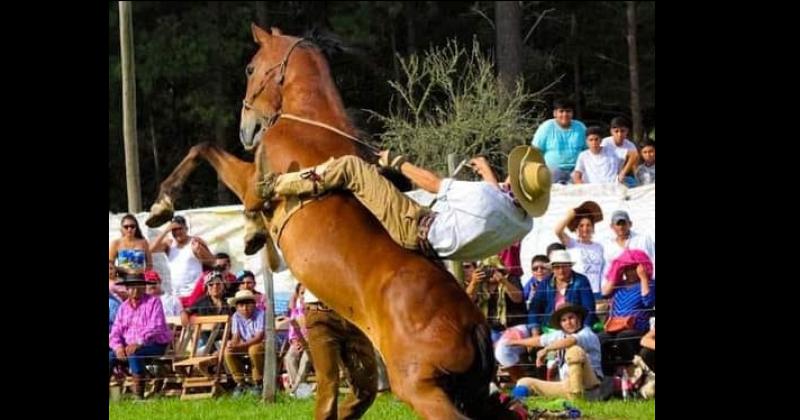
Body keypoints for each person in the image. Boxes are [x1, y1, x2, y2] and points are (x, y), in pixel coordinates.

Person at [259, 145, 549, 262]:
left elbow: (434, 184)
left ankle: (274, 185)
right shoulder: (524, 223)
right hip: (437, 246)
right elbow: (500, 202)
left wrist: (396, 161)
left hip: (415, 226)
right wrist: (487, 172)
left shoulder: (487, 197)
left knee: (351, 166)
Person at [303, 286, 377, 419]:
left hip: (355, 314)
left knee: (366, 388)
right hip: (321, 314)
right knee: (328, 384)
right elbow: (276, 267)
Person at [507, 304, 607, 401]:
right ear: (560, 324)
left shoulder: (587, 333)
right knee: (524, 382)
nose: (568, 322)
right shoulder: (560, 335)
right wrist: (514, 342)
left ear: (579, 318)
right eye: (564, 320)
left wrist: (546, 350)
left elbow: (571, 341)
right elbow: (539, 340)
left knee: (574, 350)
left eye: (571, 318)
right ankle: (514, 405)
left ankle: (579, 398)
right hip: (566, 384)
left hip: (589, 385)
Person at [108, 273, 172, 400]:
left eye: (139, 286)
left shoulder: (154, 302)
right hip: (128, 346)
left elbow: (156, 326)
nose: (135, 290)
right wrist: (118, 347)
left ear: (144, 287)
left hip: (154, 344)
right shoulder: (123, 307)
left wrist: (139, 342)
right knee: (110, 356)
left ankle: (138, 395)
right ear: (126, 289)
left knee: (135, 353)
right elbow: (115, 331)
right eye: (131, 287)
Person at [599, 249, 655, 375]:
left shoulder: (650, 283)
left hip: (636, 327)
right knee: (601, 338)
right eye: (626, 268)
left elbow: (648, 302)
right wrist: (615, 275)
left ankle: (633, 369)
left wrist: (643, 278)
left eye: (633, 268)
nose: (630, 272)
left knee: (624, 337)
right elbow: (604, 293)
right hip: (615, 326)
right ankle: (607, 375)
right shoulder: (619, 285)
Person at [150, 215, 215, 301]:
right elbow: (150, 249)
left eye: (180, 228)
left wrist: (200, 252)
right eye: (174, 229)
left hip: (195, 294)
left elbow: (212, 261)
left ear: (186, 229)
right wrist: (166, 231)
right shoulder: (169, 244)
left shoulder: (195, 242)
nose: (177, 232)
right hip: (176, 295)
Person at [465, 256, 526, 342]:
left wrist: (503, 281)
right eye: (486, 270)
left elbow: (518, 298)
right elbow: (467, 302)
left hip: (513, 326)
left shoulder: (511, 279)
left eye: (493, 270)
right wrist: (473, 283)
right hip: (490, 329)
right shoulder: (479, 284)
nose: (490, 273)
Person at [554, 201, 605, 297]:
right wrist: (570, 215)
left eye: (588, 225)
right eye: (581, 226)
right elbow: (558, 230)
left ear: (593, 228)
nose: (585, 228)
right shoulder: (572, 243)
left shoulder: (599, 247)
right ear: (576, 229)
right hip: (577, 289)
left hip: (595, 291)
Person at [530, 98, 587, 184]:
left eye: (568, 111)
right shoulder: (546, 127)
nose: (565, 114)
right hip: (553, 172)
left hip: (577, 171)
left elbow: (588, 150)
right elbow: (535, 151)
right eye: (561, 111)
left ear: (572, 113)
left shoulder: (580, 127)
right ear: (555, 113)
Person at [223, 290, 266, 397]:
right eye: (241, 305)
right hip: (246, 344)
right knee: (228, 352)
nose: (245, 308)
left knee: (254, 350)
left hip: (263, 344)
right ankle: (240, 382)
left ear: (254, 304)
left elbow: (259, 337)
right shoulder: (236, 317)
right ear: (237, 307)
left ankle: (258, 382)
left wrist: (240, 346)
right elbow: (236, 336)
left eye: (248, 305)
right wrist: (232, 344)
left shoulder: (261, 314)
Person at [601, 117, 639, 186]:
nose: (619, 134)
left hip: (619, 177)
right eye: (616, 131)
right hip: (604, 176)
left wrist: (624, 173)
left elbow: (635, 165)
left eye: (622, 131)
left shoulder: (630, 145)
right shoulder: (605, 142)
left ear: (627, 131)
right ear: (611, 131)